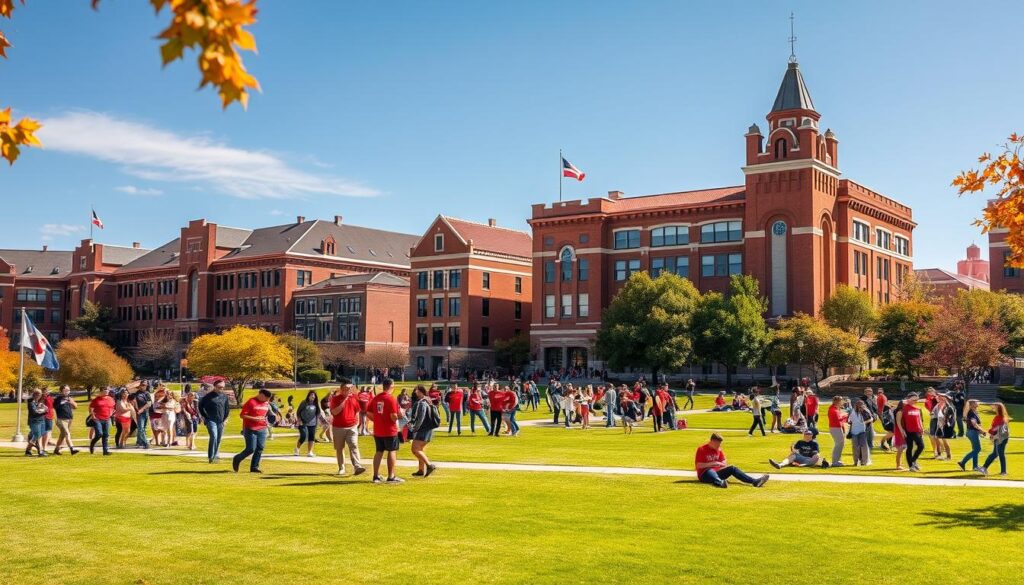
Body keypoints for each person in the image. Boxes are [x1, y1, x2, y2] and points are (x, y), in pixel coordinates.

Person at [695, 433, 769, 488]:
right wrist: (713, 463)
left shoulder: (718, 449)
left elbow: (724, 462)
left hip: (718, 472)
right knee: (710, 470)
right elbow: (699, 465)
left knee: (732, 468)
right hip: (705, 475)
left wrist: (720, 464)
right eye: (718, 444)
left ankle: (754, 481)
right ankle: (720, 483)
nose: (719, 446)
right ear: (712, 441)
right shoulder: (702, 449)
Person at [368, 379, 404, 484]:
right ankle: (391, 476)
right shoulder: (391, 399)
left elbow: (368, 412)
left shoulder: (376, 398)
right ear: (391, 386)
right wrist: (399, 416)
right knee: (392, 451)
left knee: (379, 451)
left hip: (378, 430)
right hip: (389, 430)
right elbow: (393, 416)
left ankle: (375, 476)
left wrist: (378, 420)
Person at [328, 379, 366, 476]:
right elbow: (335, 412)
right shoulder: (335, 399)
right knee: (340, 449)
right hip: (338, 427)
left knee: (353, 445)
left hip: (351, 427)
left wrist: (356, 423)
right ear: (341, 389)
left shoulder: (354, 398)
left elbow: (357, 410)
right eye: (346, 389)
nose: (349, 390)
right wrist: (344, 400)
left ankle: (357, 466)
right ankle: (341, 467)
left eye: (350, 388)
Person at [232, 389, 273, 473]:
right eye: (266, 398)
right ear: (261, 394)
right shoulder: (251, 402)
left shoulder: (266, 403)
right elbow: (242, 415)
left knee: (260, 448)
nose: (267, 400)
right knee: (250, 449)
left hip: (262, 428)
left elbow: (265, 413)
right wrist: (255, 418)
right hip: (250, 428)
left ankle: (254, 467)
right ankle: (237, 458)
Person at [408, 386, 439, 477]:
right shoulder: (428, 400)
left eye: (416, 390)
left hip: (423, 429)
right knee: (420, 449)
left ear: (420, 391)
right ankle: (421, 470)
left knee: (415, 449)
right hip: (428, 428)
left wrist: (414, 429)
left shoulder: (422, 403)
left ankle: (429, 465)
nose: (415, 391)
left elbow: (420, 418)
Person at [198, 380, 230, 463]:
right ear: (215, 386)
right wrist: (205, 417)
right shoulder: (208, 397)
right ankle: (211, 456)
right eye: (219, 387)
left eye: (223, 387)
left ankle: (215, 455)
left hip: (221, 420)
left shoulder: (224, 396)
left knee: (218, 439)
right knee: (214, 436)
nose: (221, 389)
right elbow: (201, 407)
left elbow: (227, 408)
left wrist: (225, 419)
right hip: (211, 420)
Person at [979, 402, 1011, 476]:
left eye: (994, 406)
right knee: (996, 453)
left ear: (998, 408)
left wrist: (994, 436)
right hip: (998, 437)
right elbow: (995, 428)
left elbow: (1000, 429)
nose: (992, 406)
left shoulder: (1001, 418)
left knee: (999, 454)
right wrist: (992, 433)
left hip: (1001, 438)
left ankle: (1002, 472)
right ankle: (985, 468)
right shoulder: (998, 417)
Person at [897, 392, 925, 472]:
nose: (915, 401)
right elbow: (898, 421)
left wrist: (922, 428)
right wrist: (902, 431)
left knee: (921, 446)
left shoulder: (917, 409)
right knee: (910, 448)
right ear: (908, 399)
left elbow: (919, 420)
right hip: (908, 431)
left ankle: (913, 461)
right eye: (913, 400)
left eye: (916, 400)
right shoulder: (903, 409)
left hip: (917, 431)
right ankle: (911, 465)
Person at [957, 399, 986, 473]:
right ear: (972, 404)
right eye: (976, 402)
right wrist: (982, 431)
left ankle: (975, 466)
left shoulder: (973, 412)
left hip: (972, 432)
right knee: (977, 449)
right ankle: (962, 462)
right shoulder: (971, 413)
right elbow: (974, 424)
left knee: (975, 449)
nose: (978, 403)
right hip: (973, 432)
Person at [52, 385, 79, 455]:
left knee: (62, 435)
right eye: (65, 390)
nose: (67, 392)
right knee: (67, 433)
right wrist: (62, 402)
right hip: (61, 419)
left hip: (69, 419)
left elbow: (75, 407)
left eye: (68, 390)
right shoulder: (58, 399)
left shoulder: (70, 398)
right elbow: (55, 407)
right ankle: (72, 448)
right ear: (61, 391)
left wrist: (71, 402)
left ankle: (56, 450)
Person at [89, 387, 116, 455]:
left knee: (105, 435)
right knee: (99, 434)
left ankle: (105, 451)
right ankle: (92, 444)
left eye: (107, 390)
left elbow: (113, 407)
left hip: (107, 419)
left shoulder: (110, 399)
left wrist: (111, 413)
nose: (106, 391)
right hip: (97, 419)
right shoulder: (96, 400)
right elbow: (91, 408)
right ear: (101, 391)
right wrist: (93, 416)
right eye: (105, 390)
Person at [295, 390, 320, 457]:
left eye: (314, 395)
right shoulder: (304, 402)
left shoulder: (316, 404)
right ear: (308, 396)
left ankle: (310, 452)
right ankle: (297, 449)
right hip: (303, 423)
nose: (313, 396)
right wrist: (299, 420)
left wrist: (320, 421)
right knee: (303, 436)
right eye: (311, 395)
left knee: (311, 437)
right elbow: (298, 412)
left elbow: (318, 413)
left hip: (313, 423)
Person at [848, 399, 873, 466]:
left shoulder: (865, 411)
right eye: (858, 406)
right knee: (855, 447)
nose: (860, 407)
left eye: (861, 406)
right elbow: (849, 420)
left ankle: (865, 461)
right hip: (854, 431)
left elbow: (871, 419)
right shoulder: (852, 411)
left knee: (864, 446)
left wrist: (865, 422)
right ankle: (856, 461)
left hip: (863, 431)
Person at [25, 389, 49, 457]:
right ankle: (40, 451)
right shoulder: (31, 403)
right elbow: (34, 413)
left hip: (41, 420)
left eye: (40, 394)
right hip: (34, 421)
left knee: (39, 435)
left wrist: (44, 409)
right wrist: (44, 411)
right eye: (37, 394)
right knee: (37, 436)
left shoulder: (38, 402)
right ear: (34, 394)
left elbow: (44, 409)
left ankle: (28, 450)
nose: (39, 395)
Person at [933, 394, 956, 460]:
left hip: (945, 427)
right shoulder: (940, 406)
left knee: (944, 441)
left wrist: (945, 424)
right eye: (940, 399)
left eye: (942, 399)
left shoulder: (949, 407)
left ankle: (948, 456)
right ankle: (939, 453)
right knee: (938, 439)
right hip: (940, 426)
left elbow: (949, 418)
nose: (940, 400)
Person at [827, 396, 848, 467]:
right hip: (835, 428)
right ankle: (835, 461)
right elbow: (838, 419)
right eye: (841, 401)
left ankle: (837, 460)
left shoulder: (835, 408)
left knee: (840, 444)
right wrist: (845, 416)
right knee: (838, 444)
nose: (842, 402)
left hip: (837, 428)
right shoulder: (833, 409)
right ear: (837, 402)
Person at [133, 383, 152, 449]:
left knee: (143, 428)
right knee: (141, 428)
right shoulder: (136, 393)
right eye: (142, 385)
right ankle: (145, 443)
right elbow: (132, 400)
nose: (144, 386)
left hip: (145, 412)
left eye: (145, 385)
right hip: (139, 413)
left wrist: (142, 409)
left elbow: (149, 403)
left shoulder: (147, 393)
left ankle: (139, 441)